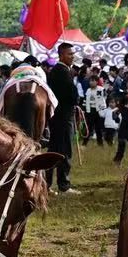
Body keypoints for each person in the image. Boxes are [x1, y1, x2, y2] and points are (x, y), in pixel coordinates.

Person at [44, 42, 80, 195]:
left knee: (55, 149)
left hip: (58, 117)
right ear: (61, 55)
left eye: (73, 54)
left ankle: (47, 184)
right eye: (69, 54)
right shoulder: (63, 72)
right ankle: (63, 185)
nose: (72, 57)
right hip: (63, 117)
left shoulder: (59, 71)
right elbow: (73, 97)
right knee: (64, 151)